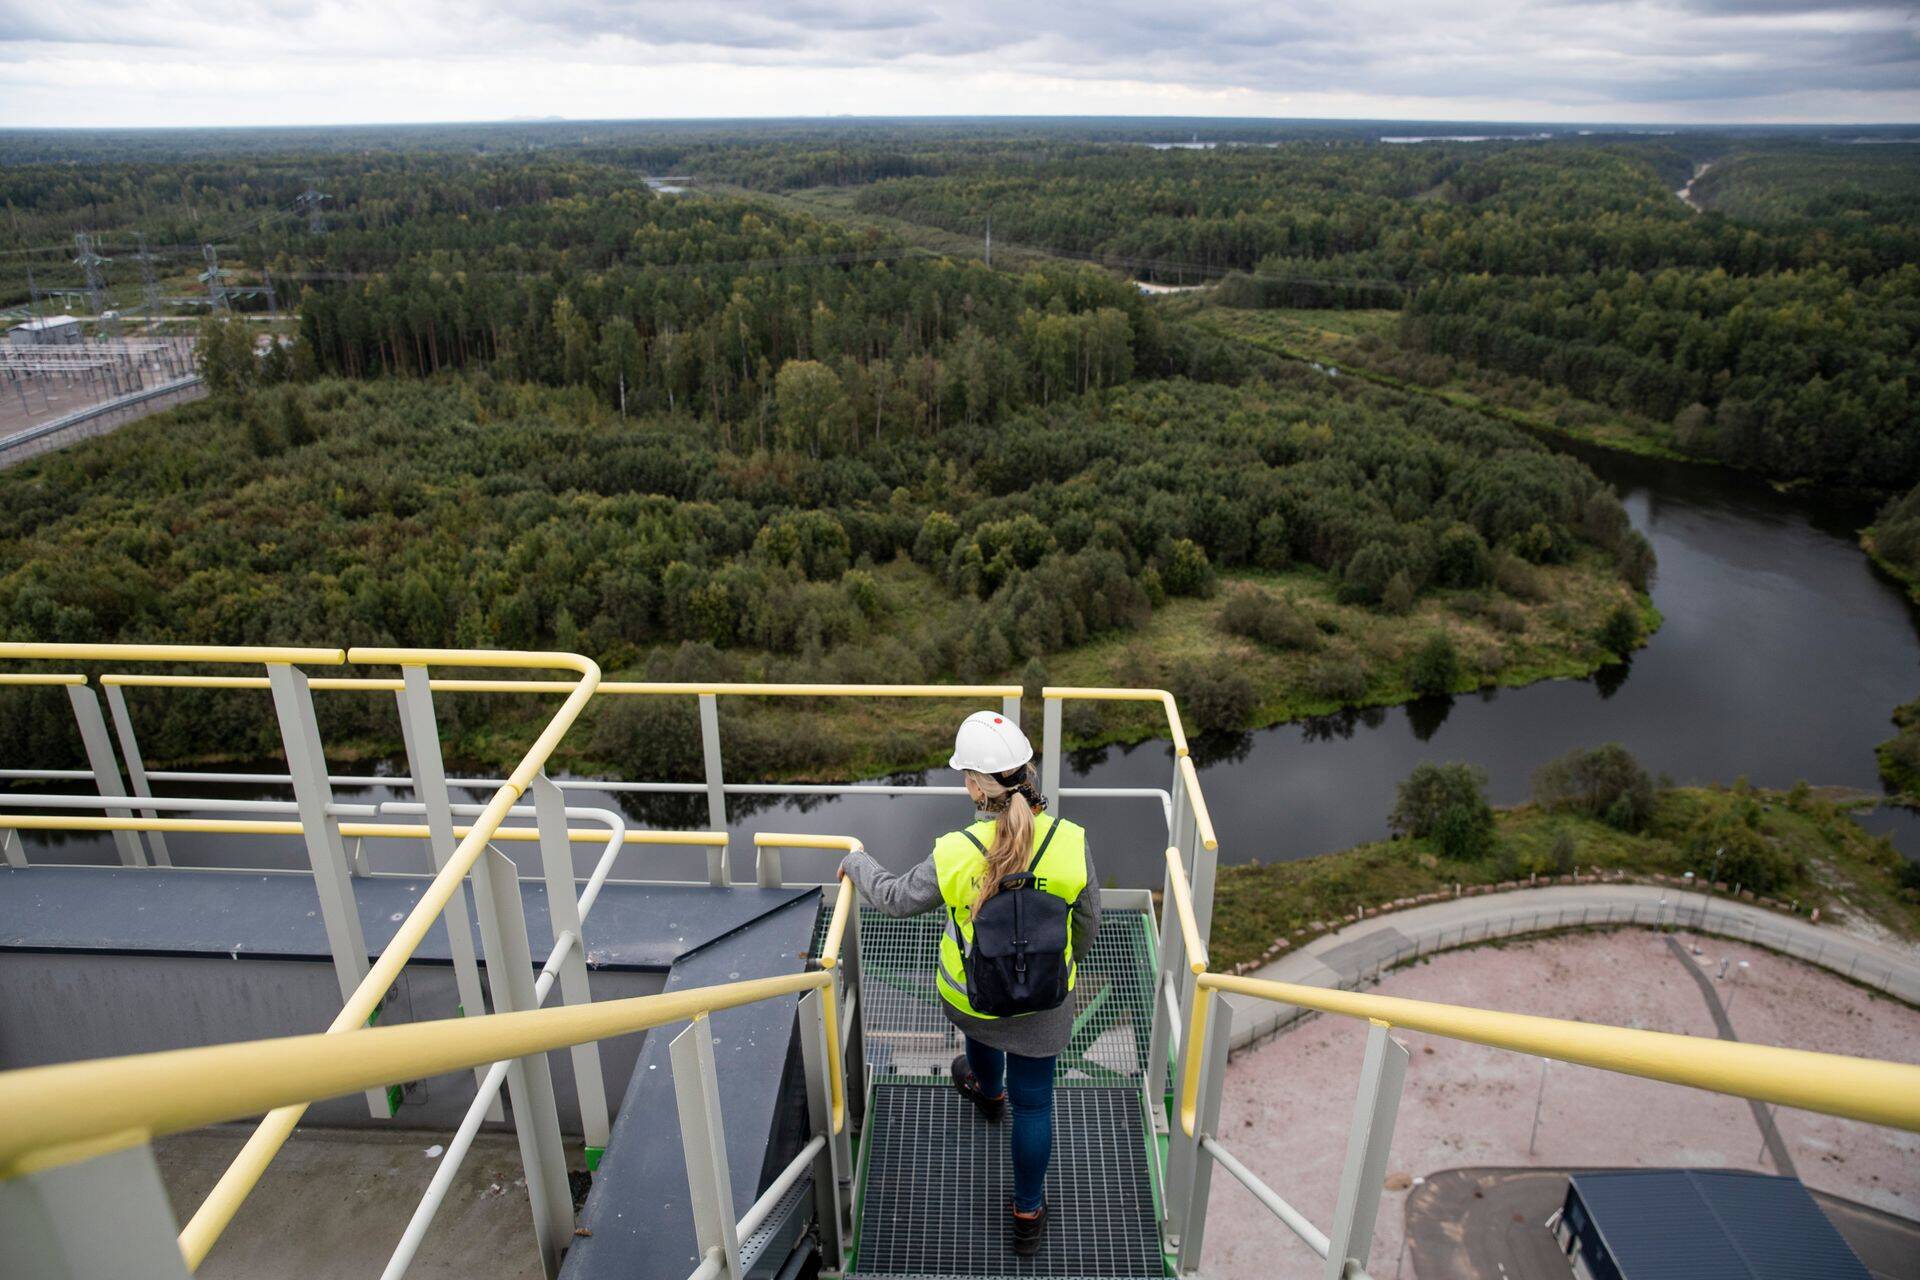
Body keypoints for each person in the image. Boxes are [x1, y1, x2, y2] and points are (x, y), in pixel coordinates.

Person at [838, 709, 1100, 1256]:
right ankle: (1027, 1214)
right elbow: (1088, 922)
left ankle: (987, 1090)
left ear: (978, 787)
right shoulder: (1071, 841)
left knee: (983, 1033)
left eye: (966, 775)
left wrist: (856, 862)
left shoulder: (956, 851)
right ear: (1025, 772)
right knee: (1036, 1106)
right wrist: (1052, 969)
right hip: (1046, 1005)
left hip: (973, 997)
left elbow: (895, 899)